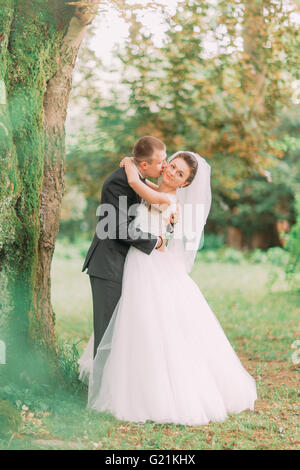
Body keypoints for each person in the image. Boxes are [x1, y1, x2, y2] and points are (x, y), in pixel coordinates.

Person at [79, 151, 257, 426]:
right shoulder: (157, 190)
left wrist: (130, 165)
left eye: (180, 174)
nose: (172, 172)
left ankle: (151, 393)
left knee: (151, 325)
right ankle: (128, 382)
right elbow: (143, 187)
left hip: (148, 266)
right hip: (136, 263)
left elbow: (138, 185)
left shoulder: (166, 200)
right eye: (172, 166)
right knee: (133, 324)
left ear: (185, 184)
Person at [82, 136, 172, 358]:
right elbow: (117, 229)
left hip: (129, 267)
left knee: (125, 333)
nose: (165, 166)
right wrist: (156, 241)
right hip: (109, 265)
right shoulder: (120, 182)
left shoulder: (137, 178)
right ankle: (101, 391)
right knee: (107, 335)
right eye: (161, 162)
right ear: (144, 165)